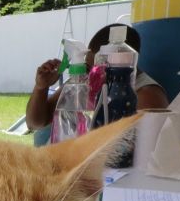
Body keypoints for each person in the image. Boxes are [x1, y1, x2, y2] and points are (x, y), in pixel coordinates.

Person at [26, 23, 169, 146]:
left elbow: (137, 153)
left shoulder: (147, 96)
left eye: (100, 68)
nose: (92, 77)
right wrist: (41, 87)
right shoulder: (81, 82)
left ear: (125, 61)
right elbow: (35, 123)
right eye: (89, 67)